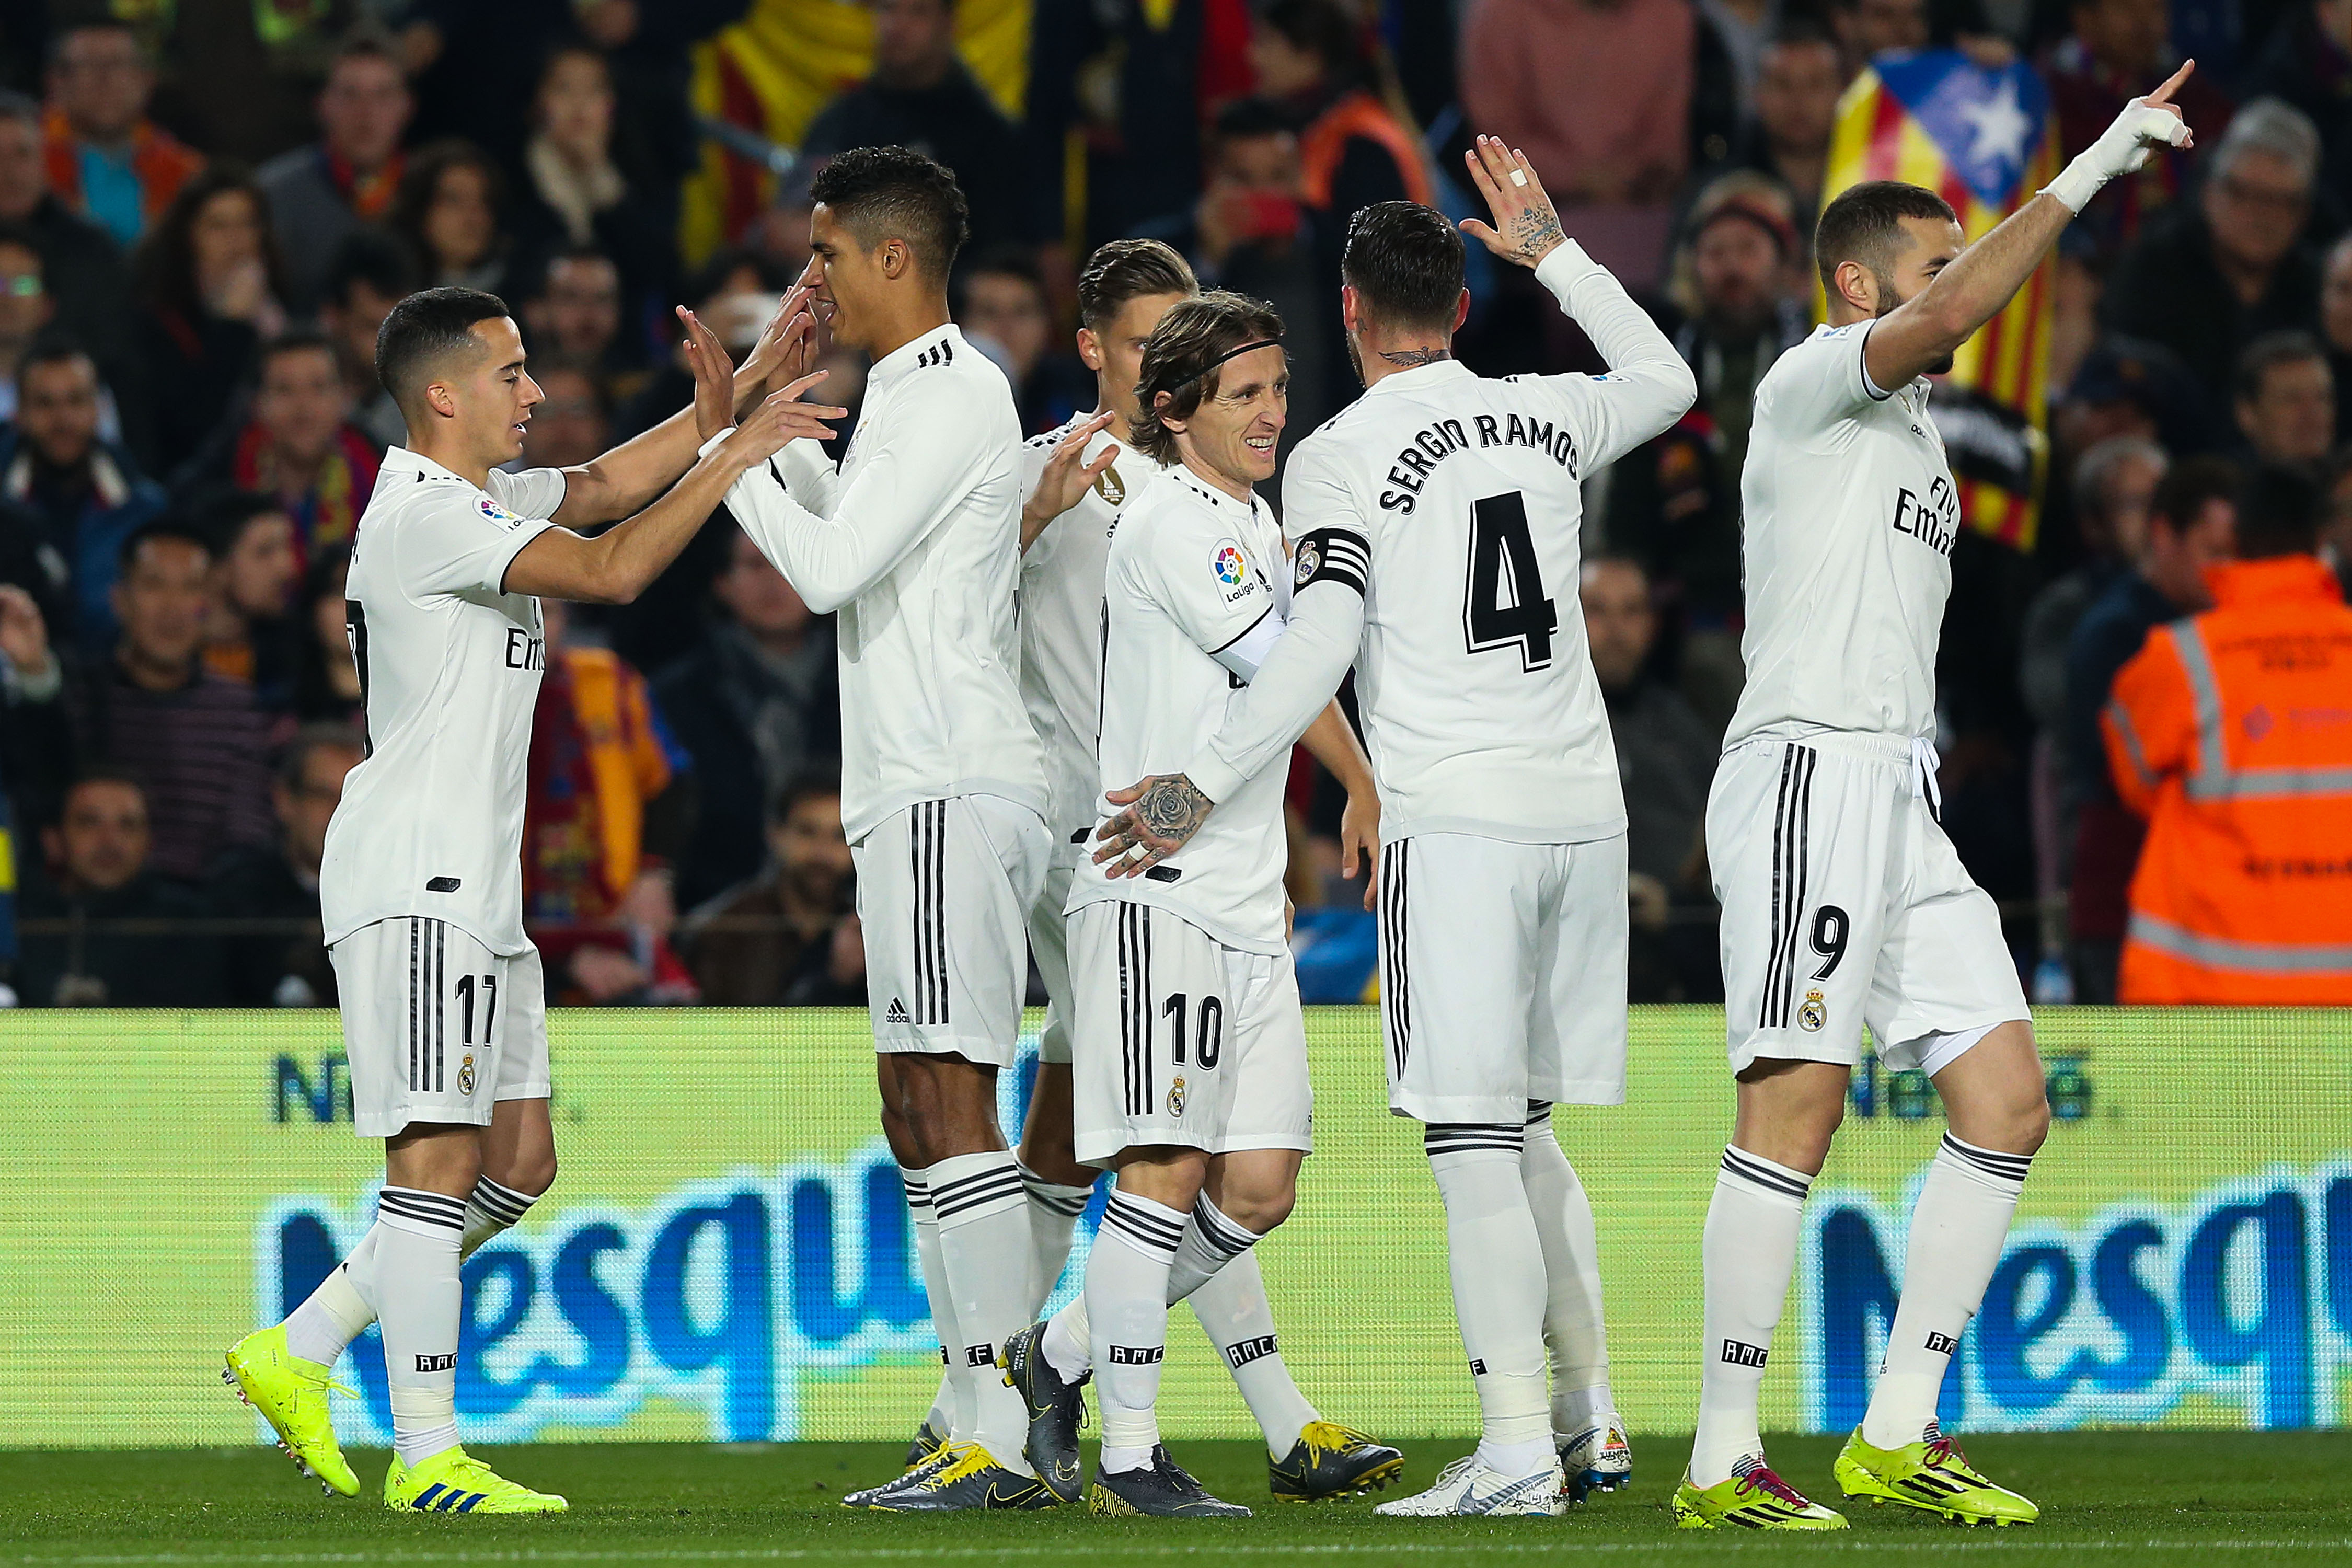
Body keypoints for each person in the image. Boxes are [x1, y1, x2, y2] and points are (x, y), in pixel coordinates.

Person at [1082, 162, 1698, 1516]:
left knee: (1473, 1143)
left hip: (1459, 821)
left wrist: (1199, 784)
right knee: (1527, 1129)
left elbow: (1318, 642)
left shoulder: (1340, 457)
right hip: (1583, 815)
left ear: (1351, 312)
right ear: (1464, 307)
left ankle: (1516, 1451)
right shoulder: (1546, 411)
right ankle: (1589, 1418)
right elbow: (1670, 383)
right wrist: (1560, 255)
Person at [218, 283, 838, 1514]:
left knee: (515, 1162)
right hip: (416, 876)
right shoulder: (425, 517)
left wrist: (741, 395)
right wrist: (736, 457)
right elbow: (613, 566)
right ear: (443, 393)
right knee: (436, 1156)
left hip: (475, 888)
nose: (537, 391)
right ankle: (428, 1456)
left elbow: (602, 485)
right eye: (511, 373)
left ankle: (301, 1343)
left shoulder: (481, 499)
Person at [1678, 70, 2196, 1530]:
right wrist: (2088, 169)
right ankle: (1719, 1455)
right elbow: (1962, 306)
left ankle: (1896, 1428)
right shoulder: (1810, 380)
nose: (1956, 289)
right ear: (1855, 286)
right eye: (1927, 264)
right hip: (1804, 771)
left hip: (1897, 791)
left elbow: (1955, 315)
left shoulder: (1916, 433)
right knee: (1792, 1106)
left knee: (2005, 1099)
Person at [996, 237, 1399, 1506]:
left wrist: (1346, 777)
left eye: (1279, 388)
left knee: (1259, 1187)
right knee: (1162, 1174)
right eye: (1245, 395)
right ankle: (1129, 1452)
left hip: (1239, 899)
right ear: (1175, 411)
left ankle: (1060, 1352)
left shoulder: (1251, 518)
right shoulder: (1174, 523)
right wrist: (1350, 585)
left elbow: (1289, 677)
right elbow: (1284, 668)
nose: (1272, 413)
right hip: (1154, 898)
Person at [713, 146, 1053, 1509]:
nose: (814, 278)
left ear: (892, 258)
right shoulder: (912, 392)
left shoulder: (953, 390)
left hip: (945, 783)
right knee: (915, 1104)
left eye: (827, 254)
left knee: (951, 1096)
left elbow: (821, 577)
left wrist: (726, 448)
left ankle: (999, 1432)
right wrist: (773, 436)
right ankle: (969, 1410)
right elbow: (850, 544)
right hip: (918, 786)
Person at [2105, 465, 2352, 1001]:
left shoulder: (2183, 657)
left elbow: (2135, 783)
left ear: (2237, 541)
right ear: (2321, 542)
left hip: (2210, 992)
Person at [1607, 174, 1809, 729]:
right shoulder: (1659, 370)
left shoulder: (1823, 361)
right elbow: (1626, 516)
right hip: (1694, 623)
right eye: (1716, 252)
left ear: (1785, 265)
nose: (1731, 267)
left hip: (1809, 606)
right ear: (1691, 267)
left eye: (1748, 250)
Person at [2063, 455, 2238, 1000]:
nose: (2228, 571)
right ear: (2164, 536)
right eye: (2214, 552)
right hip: (2122, 911)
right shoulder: (2115, 637)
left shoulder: (2221, 630)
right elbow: (2117, 779)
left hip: (2198, 914)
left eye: (2236, 554)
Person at [51, 520, 278, 883]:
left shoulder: (237, 709)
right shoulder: (77, 696)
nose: (172, 608)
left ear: (209, 604)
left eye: (190, 588)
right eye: (154, 585)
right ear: (120, 600)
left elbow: (246, 835)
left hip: (203, 907)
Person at [650, 529, 840, 912]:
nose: (773, 582)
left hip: (851, 911)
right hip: (706, 913)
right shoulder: (673, 696)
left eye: (786, 563)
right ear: (722, 583)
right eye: (755, 565)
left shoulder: (867, 688)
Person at [524, 598, 695, 1006]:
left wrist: (654, 874)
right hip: (508, 934)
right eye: (521, 611)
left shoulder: (611, 682)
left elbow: (670, 782)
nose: (536, 627)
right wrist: (563, 959)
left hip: (615, 916)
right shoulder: (457, 699)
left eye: (549, 612)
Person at [1459, 0, 1696, 286]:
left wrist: (1624, 180)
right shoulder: (1501, 14)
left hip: (1650, 210)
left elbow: (1667, 146)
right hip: (1532, 212)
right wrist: (1582, 179)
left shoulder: (1668, 14)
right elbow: (1496, 139)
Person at [2101, 98, 2322, 399]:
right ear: (2209, 192)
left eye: (2280, 202)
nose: (2261, 215)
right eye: (2243, 194)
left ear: (2304, 213)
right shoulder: (2153, 272)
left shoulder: (2321, 289)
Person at [1583, 555, 1720, 1001]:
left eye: (1631, 611)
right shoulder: (1532, 726)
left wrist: (1673, 906)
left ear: (1652, 623)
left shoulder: (1686, 731)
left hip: (1675, 966)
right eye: (1597, 610)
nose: (1615, 630)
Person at [800, 0, 1031, 255]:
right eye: (888, 8)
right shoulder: (842, 118)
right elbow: (789, 222)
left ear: (949, 24)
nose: (899, 26)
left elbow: (999, 255)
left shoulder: (988, 136)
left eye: (918, 11)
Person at [0, 336, 168, 657]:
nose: (63, 420)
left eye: (76, 400)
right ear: (19, 413)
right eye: (45, 403)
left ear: (99, 408)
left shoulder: (145, 511)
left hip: (121, 681)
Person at [2043, 0, 2232, 261]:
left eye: (2155, 8)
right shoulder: (2052, 98)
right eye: (2126, 8)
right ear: (2085, 19)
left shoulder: (2197, 97)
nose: (2143, 23)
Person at [16, 768, 224, 1006]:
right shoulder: (15, 919)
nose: (110, 842)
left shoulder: (187, 924)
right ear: (53, 840)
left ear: (150, 840)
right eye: (90, 823)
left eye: (128, 825)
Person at [130, 168, 290, 477]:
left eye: (247, 224)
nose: (236, 241)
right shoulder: (158, 323)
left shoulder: (279, 311)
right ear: (188, 237)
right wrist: (233, 327)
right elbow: (192, 431)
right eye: (218, 226)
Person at [181, 332, 381, 567]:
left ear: (344, 399)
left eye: (319, 388)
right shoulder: (213, 489)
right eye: (284, 390)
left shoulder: (382, 481)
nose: (303, 409)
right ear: (257, 404)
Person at [511, 43, 674, 324]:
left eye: (594, 90)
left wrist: (600, 178)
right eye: (564, 88)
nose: (579, 103)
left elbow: (663, 273)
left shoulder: (641, 176)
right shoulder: (511, 177)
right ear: (538, 101)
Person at [256, 36, 414, 315]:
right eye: (350, 95)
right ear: (322, 105)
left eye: (383, 95)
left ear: (407, 107)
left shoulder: (434, 191)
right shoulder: (271, 194)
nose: (366, 112)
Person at [679, 768, 864, 1005]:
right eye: (807, 832)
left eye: (840, 837)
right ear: (775, 834)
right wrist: (834, 982)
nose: (823, 853)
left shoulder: (869, 931)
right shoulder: (723, 932)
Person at [211, 722, 365, 1006]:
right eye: (323, 795)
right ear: (284, 800)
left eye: (352, 797)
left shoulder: (394, 895)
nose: (339, 812)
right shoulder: (237, 893)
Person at [0, 91, 135, 385]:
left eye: (22, 154)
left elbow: (117, 351)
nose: (9, 171)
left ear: (44, 159)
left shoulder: (94, 252)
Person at [40, 20, 204, 250]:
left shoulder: (187, 175)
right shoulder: (25, 164)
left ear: (147, 79)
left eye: (118, 65)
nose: (105, 80)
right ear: (56, 82)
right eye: (89, 65)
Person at [956, 246, 1093, 436]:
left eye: (1022, 312)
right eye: (989, 312)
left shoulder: (1080, 402)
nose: (1006, 328)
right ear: (961, 324)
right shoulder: (937, 400)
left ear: (1047, 325)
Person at [198, 492, 302, 710]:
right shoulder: (170, 661)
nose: (288, 568)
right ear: (216, 567)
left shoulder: (299, 658)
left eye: (287, 549)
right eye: (265, 552)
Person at [319, 232, 415, 452]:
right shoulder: (298, 396)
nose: (390, 345)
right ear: (334, 318)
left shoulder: (426, 409)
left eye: (399, 330)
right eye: (372, 327)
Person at [389, 141, 517, 300]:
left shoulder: (522, 297)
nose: (474, 218)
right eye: (454, 200)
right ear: (419, 210)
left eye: (484, 202)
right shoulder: (386, 294)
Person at [2232, 330, 2334, 471]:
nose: (2313, 412)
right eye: (2292, 399)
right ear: (2247, 414)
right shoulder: (2226, 483)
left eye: (2322, 398)